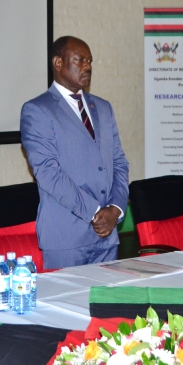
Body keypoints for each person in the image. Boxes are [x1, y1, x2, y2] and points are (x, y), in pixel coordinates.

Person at [20, 36, 129, 269]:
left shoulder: (103, 107)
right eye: (79, 60)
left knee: (104, 304)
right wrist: (96, 212)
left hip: (106, 237)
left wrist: (116, 209)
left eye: (89, 61)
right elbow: (49, 173)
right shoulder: (37, 110)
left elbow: (118, 162)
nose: (87, 66)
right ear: (58, 63)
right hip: (65, 238)